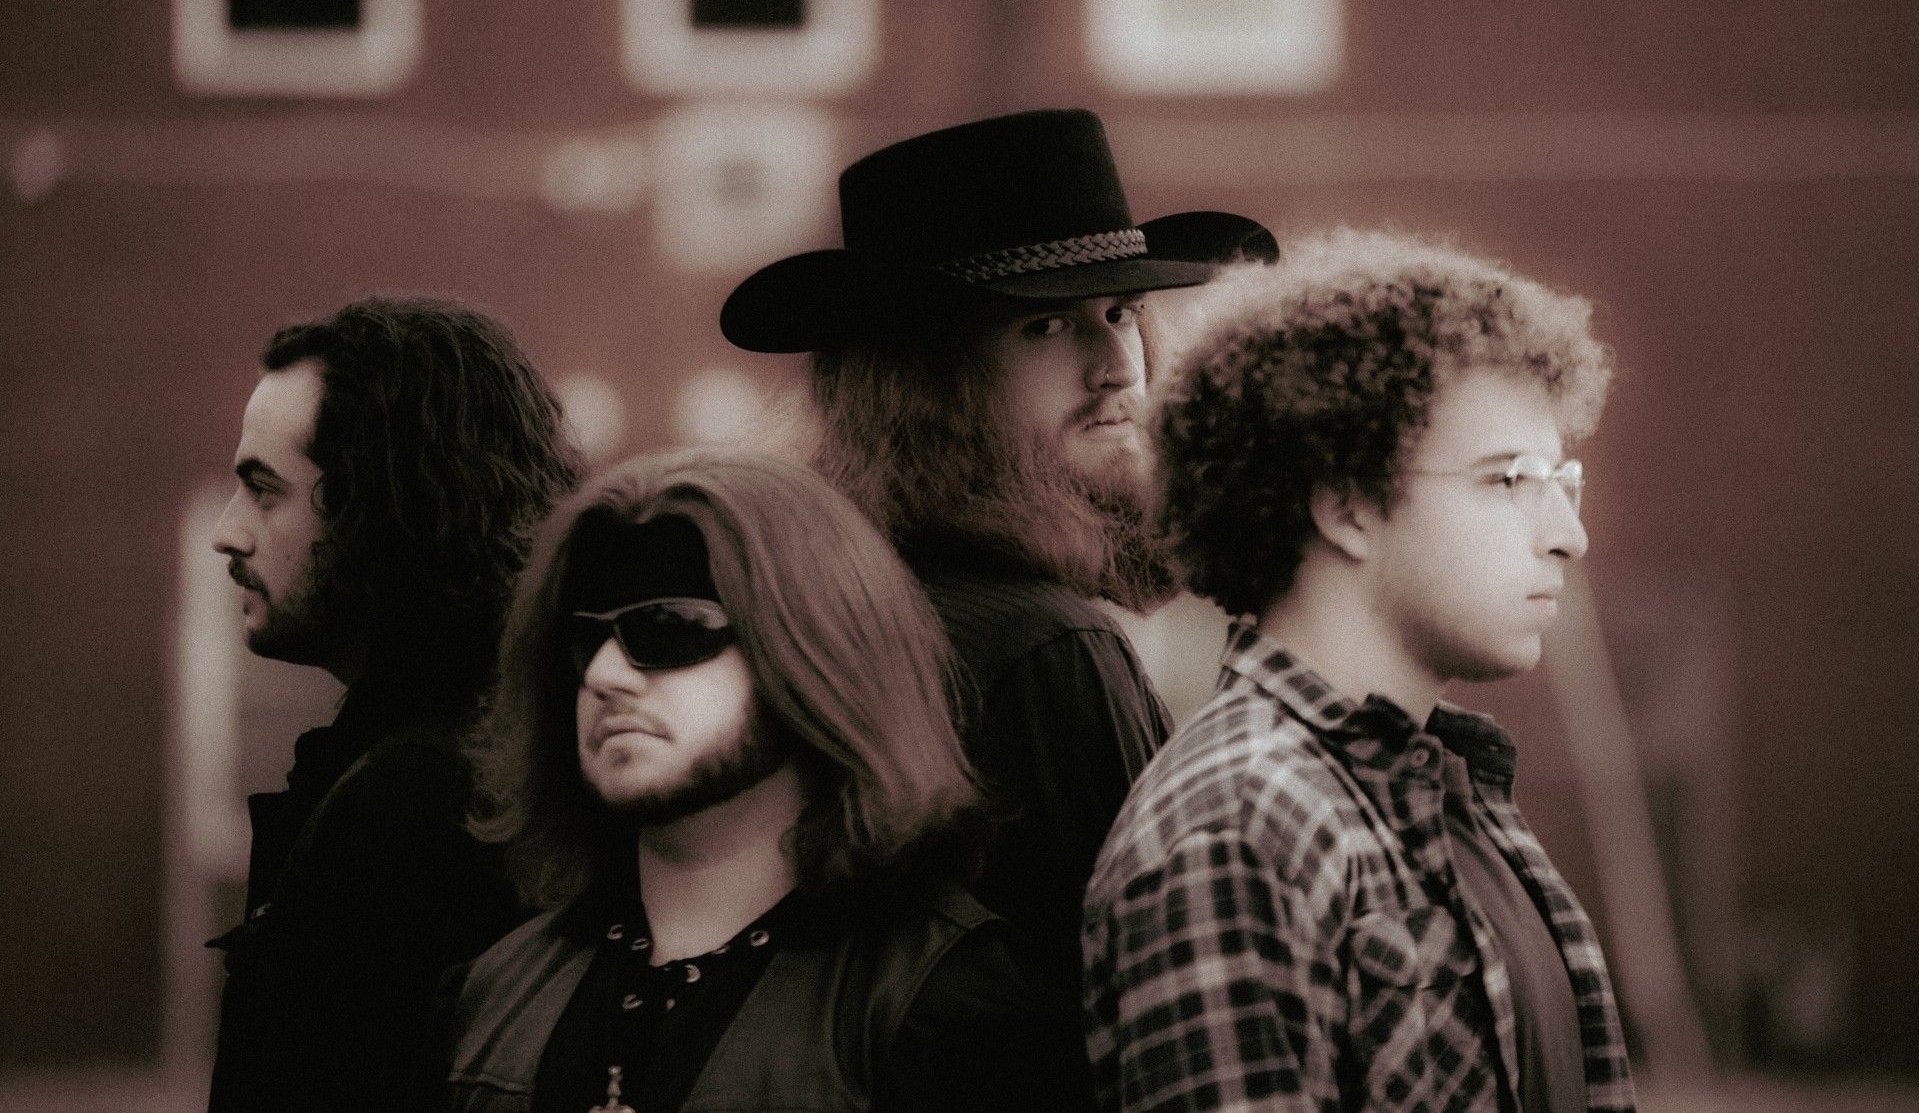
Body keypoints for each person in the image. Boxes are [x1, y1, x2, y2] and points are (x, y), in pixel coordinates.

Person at [1082, 230, 1639, 1112]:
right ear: (1345, 504)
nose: (1567, 534)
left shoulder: (1448, 790)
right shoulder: (1236, 831)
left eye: (1561, 481)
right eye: (1508, 480)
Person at [719, 108, 1275, 988]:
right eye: (1045, 325)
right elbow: (1134, 997)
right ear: (925, 381)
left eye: (1124, 310)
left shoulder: (823, 601)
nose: (1117, 364)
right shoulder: (1042, 648)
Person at [446, 449, 1089, 1112]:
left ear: (810, 653)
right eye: (584, 639)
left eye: (667, 626)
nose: (606, 674)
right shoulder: (493, 994)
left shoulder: (945, 1009)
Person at [207, 296, 581, 1113]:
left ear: (383, 502)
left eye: (264, 491)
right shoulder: (492, 749)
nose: (227, 534)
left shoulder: (418, 803)